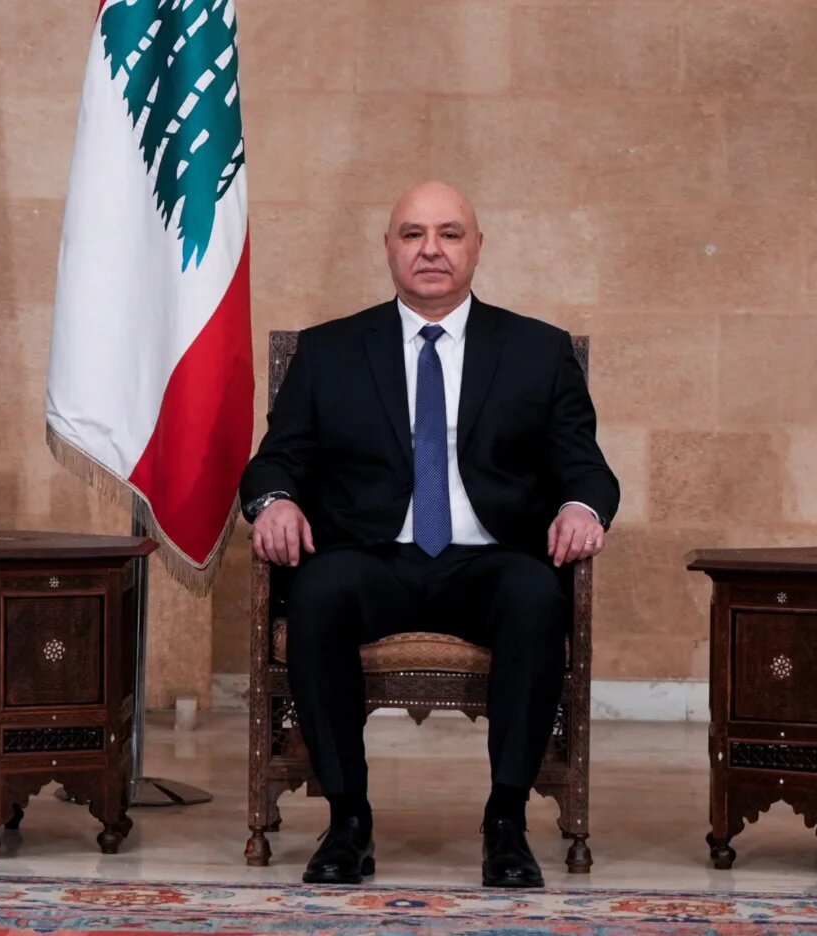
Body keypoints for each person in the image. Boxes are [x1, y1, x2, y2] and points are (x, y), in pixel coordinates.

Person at [239, 181, 619, 888]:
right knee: (318, 594)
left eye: (449, 233)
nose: (431, 250)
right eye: (412, 234)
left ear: (476, 247)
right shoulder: (329, 351)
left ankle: (505, 820)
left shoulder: (538, 350)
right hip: (370, 558)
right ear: (388, 249)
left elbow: (584, 468)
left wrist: (579, 509)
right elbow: (276, 459)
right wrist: (275, 502)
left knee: (536, 597)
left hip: (490, 561)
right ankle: (347, 818)